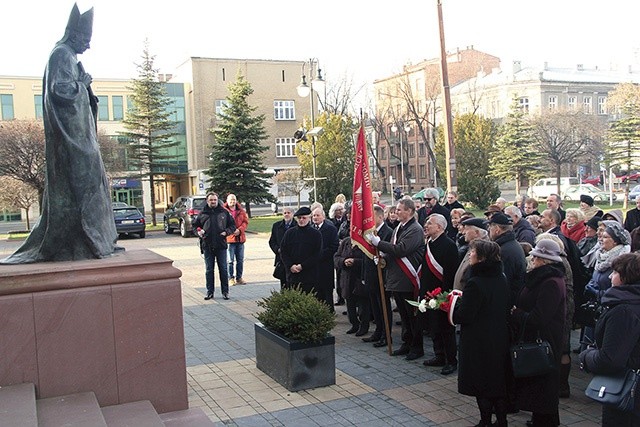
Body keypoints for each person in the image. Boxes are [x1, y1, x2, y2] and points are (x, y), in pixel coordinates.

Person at [1, 5, 119, 264]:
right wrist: (82, 85)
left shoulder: (67, 56)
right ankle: (86, 240)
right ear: (73, 35)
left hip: (80, 136)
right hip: (72, 140)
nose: (88, 46)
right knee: (84, 185)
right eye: (85, 40)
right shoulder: (61, 55)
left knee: (94, 183)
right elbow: (60, 91)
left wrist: (87, 90)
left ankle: (98, 239)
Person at [451, 240, 510, 427]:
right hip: (499, 336)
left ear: (482, 257)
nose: (470, 254)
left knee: (481, 383)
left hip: (478, 340)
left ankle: (485, 421)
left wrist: (452, 307)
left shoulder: (475, 282)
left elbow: (465, 316)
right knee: (497, 382)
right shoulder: (501, 277)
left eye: (473, 252)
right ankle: (502, 421)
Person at [510, 239, 566, 427]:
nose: (531, 258)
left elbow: (540, 317)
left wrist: (517, 313)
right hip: (537, 337)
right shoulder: (541, 277)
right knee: (539, 385)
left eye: (535, 256)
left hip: (545, 339)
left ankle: (545, 421)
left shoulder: (550, 282)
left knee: (544, 384)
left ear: (544, 260)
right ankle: (541, 418)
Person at [579, 252, 640, 426]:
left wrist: (586, 356)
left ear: (627, 277)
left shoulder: (624, 310)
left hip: (628, 392)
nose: (611, 276)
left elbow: (610, 359)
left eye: (615, 272)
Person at [368, 198, 425, 358]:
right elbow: (393, 250)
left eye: (400, 210)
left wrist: (379, 244)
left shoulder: (415, 229)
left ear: (409, 211)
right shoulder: (400, 227)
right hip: (396, 278)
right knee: (404, 317)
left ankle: (416, 348)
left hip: (407, 279)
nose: (396, 212)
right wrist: (383, 257)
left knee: (412, 317)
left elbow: (401, 249)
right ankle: (406, 344)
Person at [419, 214, 460, 374]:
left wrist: (444, 296)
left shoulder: (448, 245)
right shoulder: (429, 243)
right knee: (434, 327)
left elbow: (450, 273)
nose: (426, 225)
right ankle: (439, 355)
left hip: (442, 293)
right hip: (428, 292)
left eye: (430, 223)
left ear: (440, 227)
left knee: (445, 329)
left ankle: (451, 360)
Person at [582, 221, 631, 349]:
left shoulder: (622, 260)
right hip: (594, 308)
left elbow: (621, 289)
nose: (601, 239)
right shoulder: (601, 256)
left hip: (608, 309)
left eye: (605, 237)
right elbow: (596, 276)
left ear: (615, 241)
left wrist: (598, 293)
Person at [193, 192, 236, 300]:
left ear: (217, 200)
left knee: (223, 269)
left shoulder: (224, 212)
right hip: (207, 245)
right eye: (211, 200)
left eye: (215, 200)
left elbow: (232, 225)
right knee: (209, 270)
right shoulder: (203, 213)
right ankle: (209, 292)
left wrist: (226, 232)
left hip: (221, 245)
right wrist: (198, 232)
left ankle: (225, 292)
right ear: (207, 201)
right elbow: (195, 226)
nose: (213, 202)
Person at [362, 205, 394, 346]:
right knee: (375, 306)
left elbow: (389, 251)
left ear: (381, 217)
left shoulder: (388, 232)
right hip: (370, 275)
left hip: (382, 275)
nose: (369, 220)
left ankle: (386, 334)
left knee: (383, 306)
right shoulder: (369, 233)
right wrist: (364, 275)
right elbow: (365, 255)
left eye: (372, 217)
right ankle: (378, 331)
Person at [279, 207, 323, 295]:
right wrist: (290, 265)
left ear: (309, 218)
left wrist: (302, 266)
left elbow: (317, 254)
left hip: (309, 275)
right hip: (293, 274)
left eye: (304, 218)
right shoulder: (289, 233)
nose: (301, 220)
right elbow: (283, 251)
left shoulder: (316, 234)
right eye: (299, 218)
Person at [488, 213, 527, 305]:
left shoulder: (503, 251)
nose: (488, 230)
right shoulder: (512, 245)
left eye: (490, 227)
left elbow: (502, 283)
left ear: (497, 229)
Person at [334, 234, 365, 334]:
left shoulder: (365, 242)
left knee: (362, 305)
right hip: (347, 278)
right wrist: (344, 261)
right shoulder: (346, 242)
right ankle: (354, 324)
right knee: (350, 303)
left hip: (359, 278)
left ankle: (364, 326)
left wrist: (355, 262)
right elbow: (336, 257)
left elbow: (369, 260)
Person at [312, 207, 339, 309]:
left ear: (323, 217)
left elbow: (334, 246)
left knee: (327, 290)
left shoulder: (330, 229)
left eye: (317, 215)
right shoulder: (310, 229)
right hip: (313, 266)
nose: (315, 217)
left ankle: (329, 312)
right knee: (316, 291)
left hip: (326, 264)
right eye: (314, 215)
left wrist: (321, 255)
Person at [453, 218, 489, 292]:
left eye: (466, 229)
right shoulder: (472, 246)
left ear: (476, 232)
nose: (463, 232)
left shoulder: (483, 250)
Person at [224, 194, 248, 285]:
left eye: (234, 200)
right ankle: (230, 278)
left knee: (240, 260)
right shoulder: (224, 211)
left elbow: (245, 222)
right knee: (230, 261)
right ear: (227, 200)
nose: (232, 201)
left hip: (240, 239)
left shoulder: (241, 211)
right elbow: (222, 224)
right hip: (230, 239)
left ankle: (239, 277)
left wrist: (240, 230)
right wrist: (231, 231)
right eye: (230, 200)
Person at [268, 206, 295, 289]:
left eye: (288, 213)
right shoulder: (277, 226)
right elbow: (272, 241)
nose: (286, 215)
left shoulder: (297, 225)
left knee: (293, 283)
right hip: (281, 258)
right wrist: (277, 249)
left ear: (293, 214)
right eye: (285, 213)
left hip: (293, 259)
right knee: (283, 283)